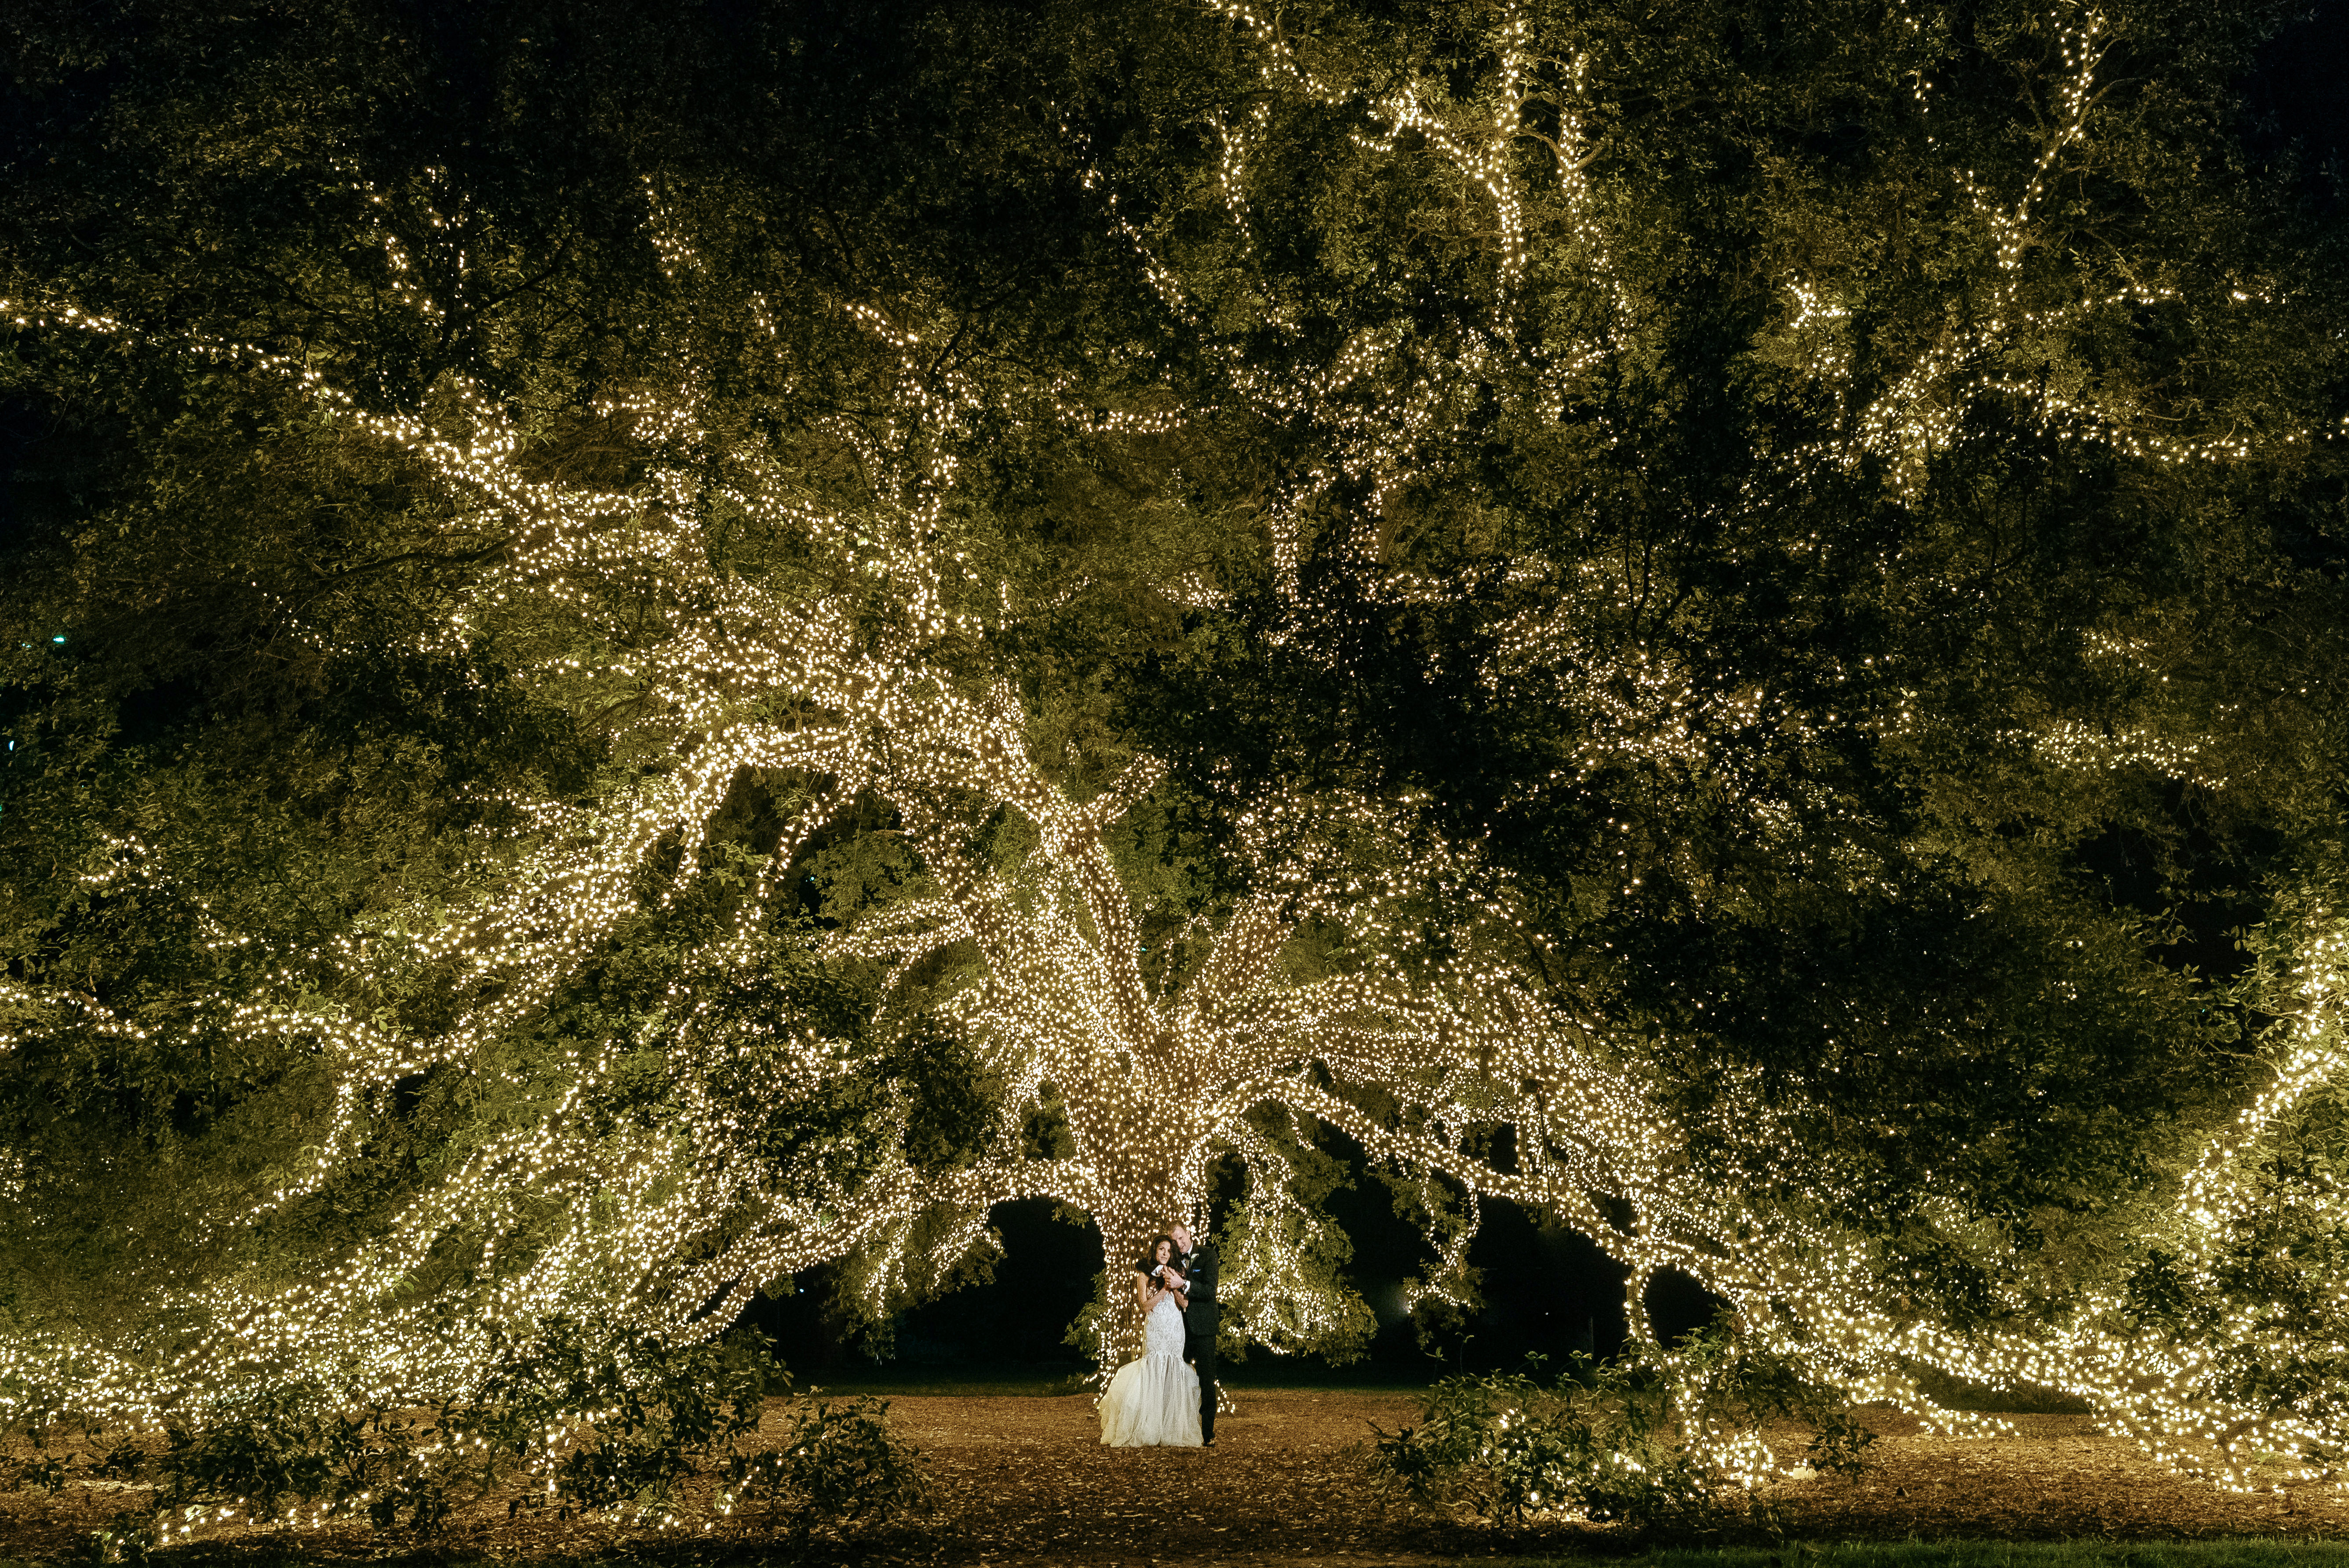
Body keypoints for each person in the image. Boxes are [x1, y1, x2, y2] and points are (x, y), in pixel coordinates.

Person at [1096, 1234, 1203, 1447]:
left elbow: (1184, 1305)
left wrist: (1175, 1287)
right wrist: (1164, 1289)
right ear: (1155, 1251)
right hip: (1155, 1328)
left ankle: (1171, 1427)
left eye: (1169, 1251)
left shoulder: (1177, 1272)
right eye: (1162, 1249)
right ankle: (1149, 1426)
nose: (1165, 1254)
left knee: (1173, 1370)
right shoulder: (1144, 1274)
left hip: (1174, 1329)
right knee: (1153, 1368)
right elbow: (1145, 1307)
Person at [1169, 1220, 1221, 1445]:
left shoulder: (1208, 1255)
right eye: (1175, 1241)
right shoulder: (1171, 1259)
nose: (1179, 1244)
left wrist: (1185, 1284)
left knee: (1207, 1381)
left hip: (1204, 1329)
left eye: (1181, 1238)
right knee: (1176, 1379)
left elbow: (1210, 1291)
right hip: (1178, 1329)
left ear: (1188, 1233)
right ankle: (1178, 1429)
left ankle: (1207, 1433)